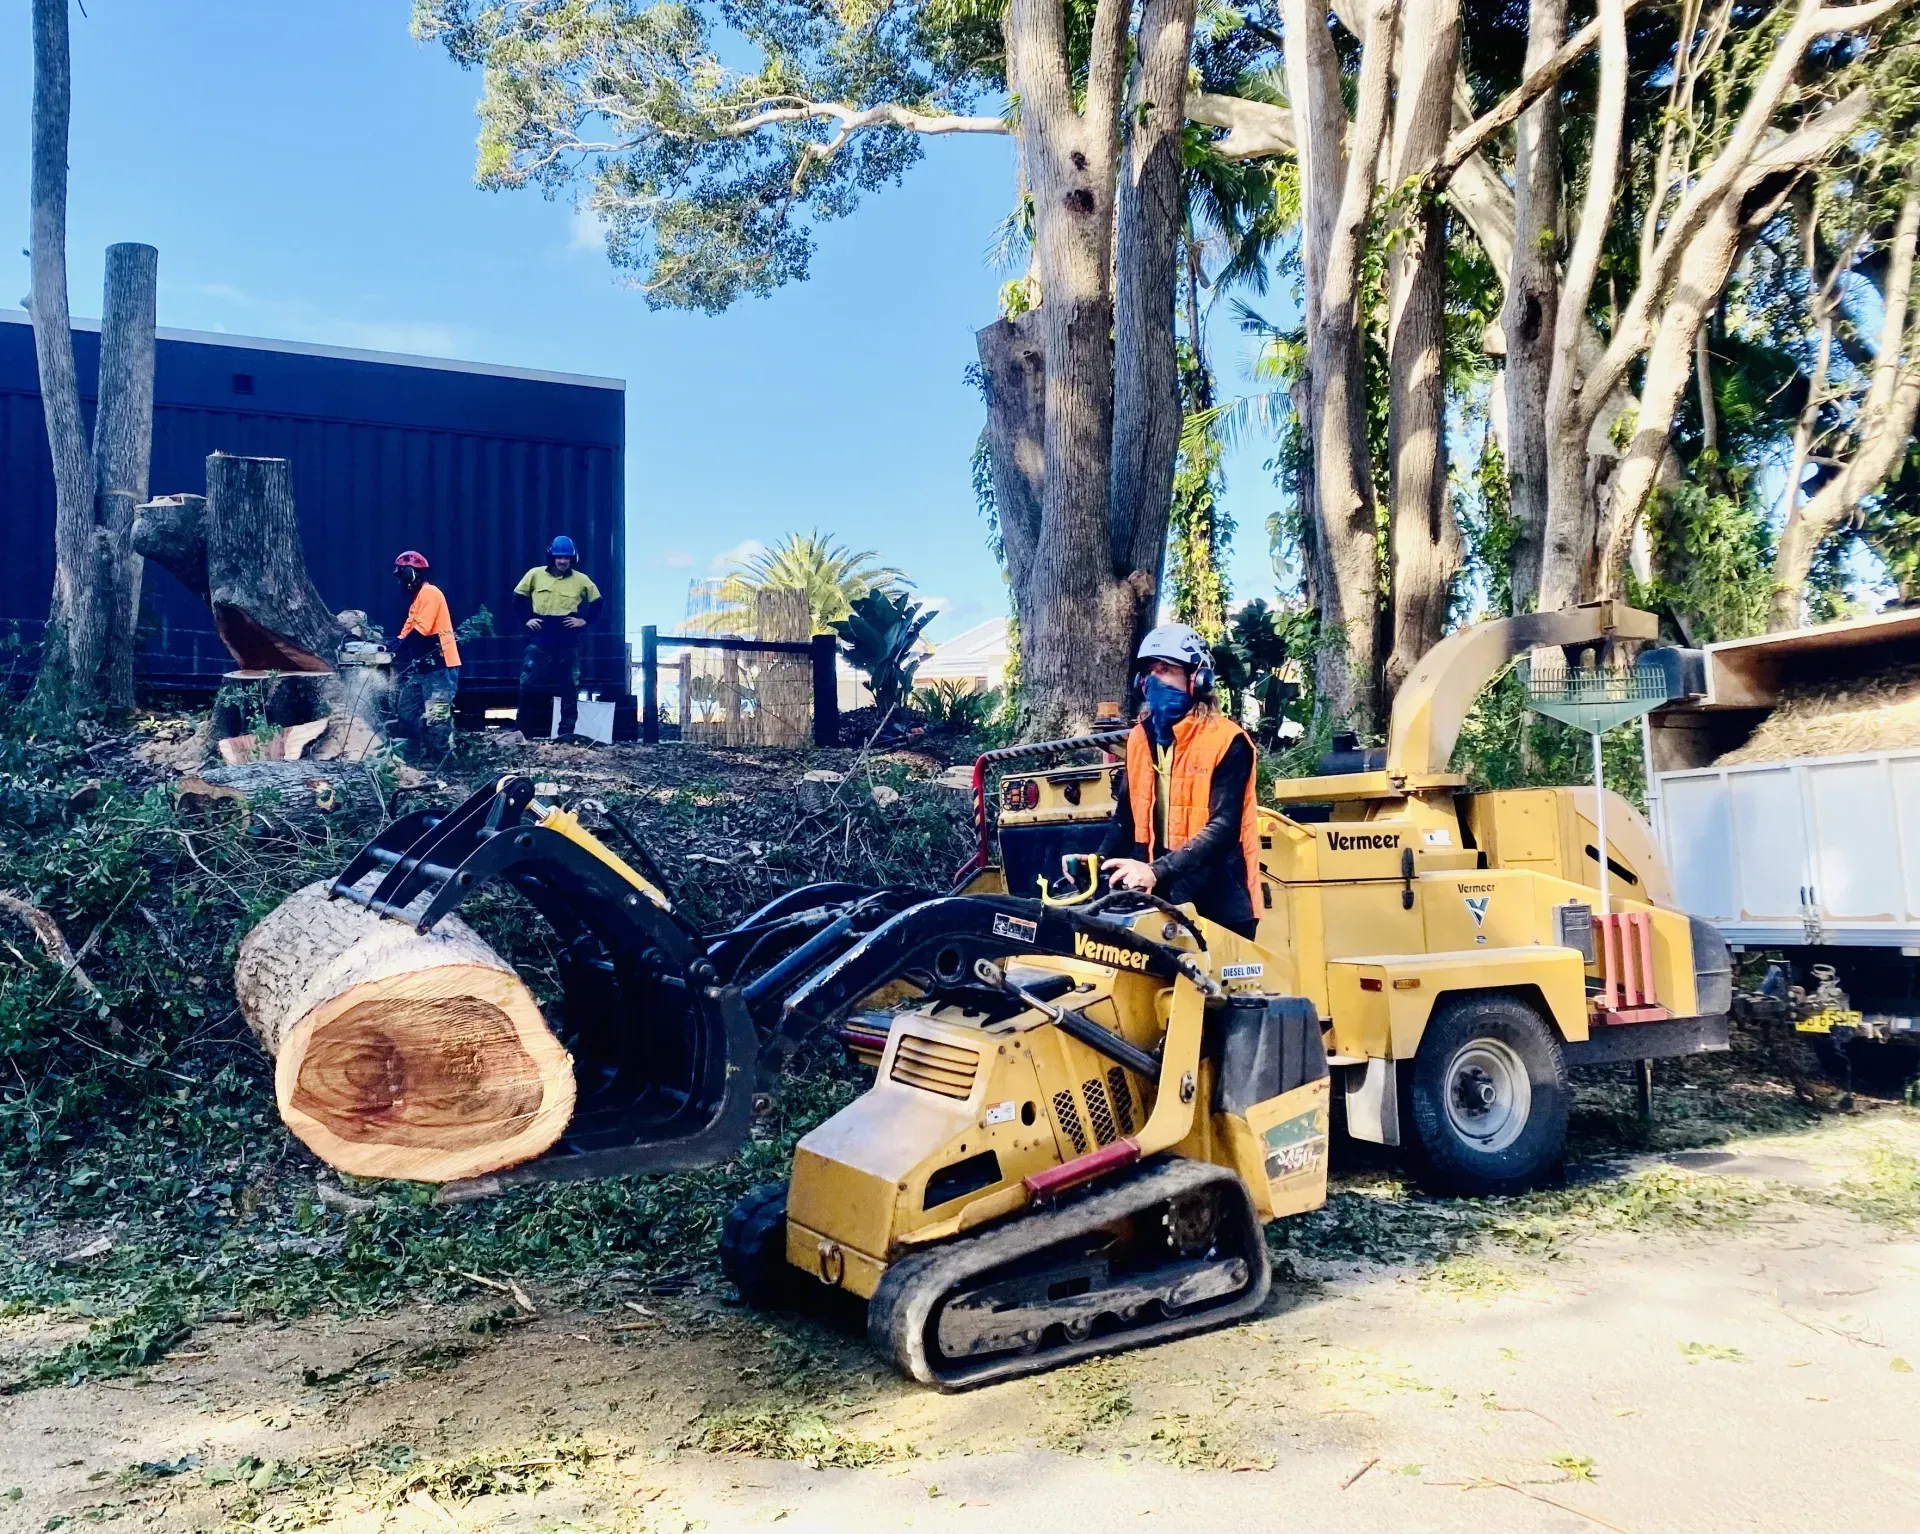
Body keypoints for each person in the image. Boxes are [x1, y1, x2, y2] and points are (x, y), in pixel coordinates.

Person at [1099, 623, 1262, 939]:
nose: (1154, 680)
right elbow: (1126, 817)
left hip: (1221, 904)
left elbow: (1223, 829)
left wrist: (1155, 870)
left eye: (1165, 670)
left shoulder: (1229, 741)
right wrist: (1096, 860)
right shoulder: (1139, 739)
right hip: (1163, 901)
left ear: (1197, 680)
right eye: (1150, 672)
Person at [514, 534, 603, 738]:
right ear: (551, 557)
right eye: (559, 557)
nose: (563, 561)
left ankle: (566, 733)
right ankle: (523, 732)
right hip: (542, 634)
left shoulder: (581, 580)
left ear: (573, 559)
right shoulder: (535, 575)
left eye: (567, 557)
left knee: (569, 687)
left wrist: (584, 621)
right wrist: (527, 619)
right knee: (529, 683)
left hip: (568, 636)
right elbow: (518, 598)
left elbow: (598, 602)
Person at [391, 550, 461, 753]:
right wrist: (393, 644)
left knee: (437, 715)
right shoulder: (418, 599)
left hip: (440, 664)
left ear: (411, 574)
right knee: (407, 710)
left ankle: (441, 759)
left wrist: (402, 643)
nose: (400, 582)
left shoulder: (430, 593)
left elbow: (422, 629)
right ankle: (412, 753)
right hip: (423, 667)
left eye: (402, 575)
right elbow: (408, 628)